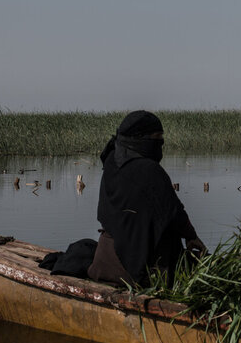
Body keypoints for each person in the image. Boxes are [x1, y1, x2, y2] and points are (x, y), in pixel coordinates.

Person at [88, 110, 206, 287]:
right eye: (156, 137)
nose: (160, 143)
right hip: (137, 272)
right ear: (140, 138)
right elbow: (174, 213)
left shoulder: (112, 162)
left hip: (104, 262)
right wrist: (191, 236)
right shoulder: (149, 171)